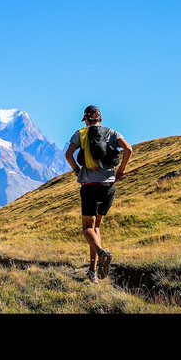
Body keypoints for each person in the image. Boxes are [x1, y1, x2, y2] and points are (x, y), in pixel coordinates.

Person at [65, 105, 133, 282]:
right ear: (100, 119)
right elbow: (128, 149)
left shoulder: (80, 134)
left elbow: (68, 154)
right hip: (109, 186)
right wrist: (122, 170)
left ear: (86, 119)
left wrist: (76, 170)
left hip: (89, 186)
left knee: (87, 228)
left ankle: (101, 253)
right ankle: (93, 271)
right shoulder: (112, 133)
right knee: (97, 228)